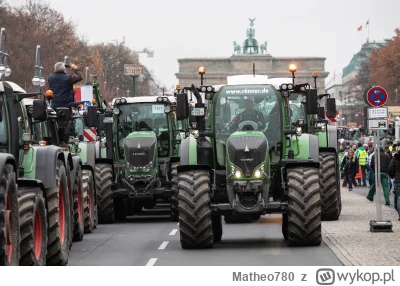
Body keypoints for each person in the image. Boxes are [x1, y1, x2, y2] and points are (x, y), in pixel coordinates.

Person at [48, 62, 83, 148]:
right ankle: (64, 144)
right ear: (64, 69)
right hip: (66, 107)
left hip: (54, 106)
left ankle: (55, 141)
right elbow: (80, 77)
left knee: (55, 125)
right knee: (65, 126)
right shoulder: (68, 78)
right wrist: (75, 69)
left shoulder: (50, 78)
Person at [388, 148, 400, 220]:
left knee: (398, 197)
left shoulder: (395, 157)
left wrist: (393, 176)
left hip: (398, 180)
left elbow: (390, 168)